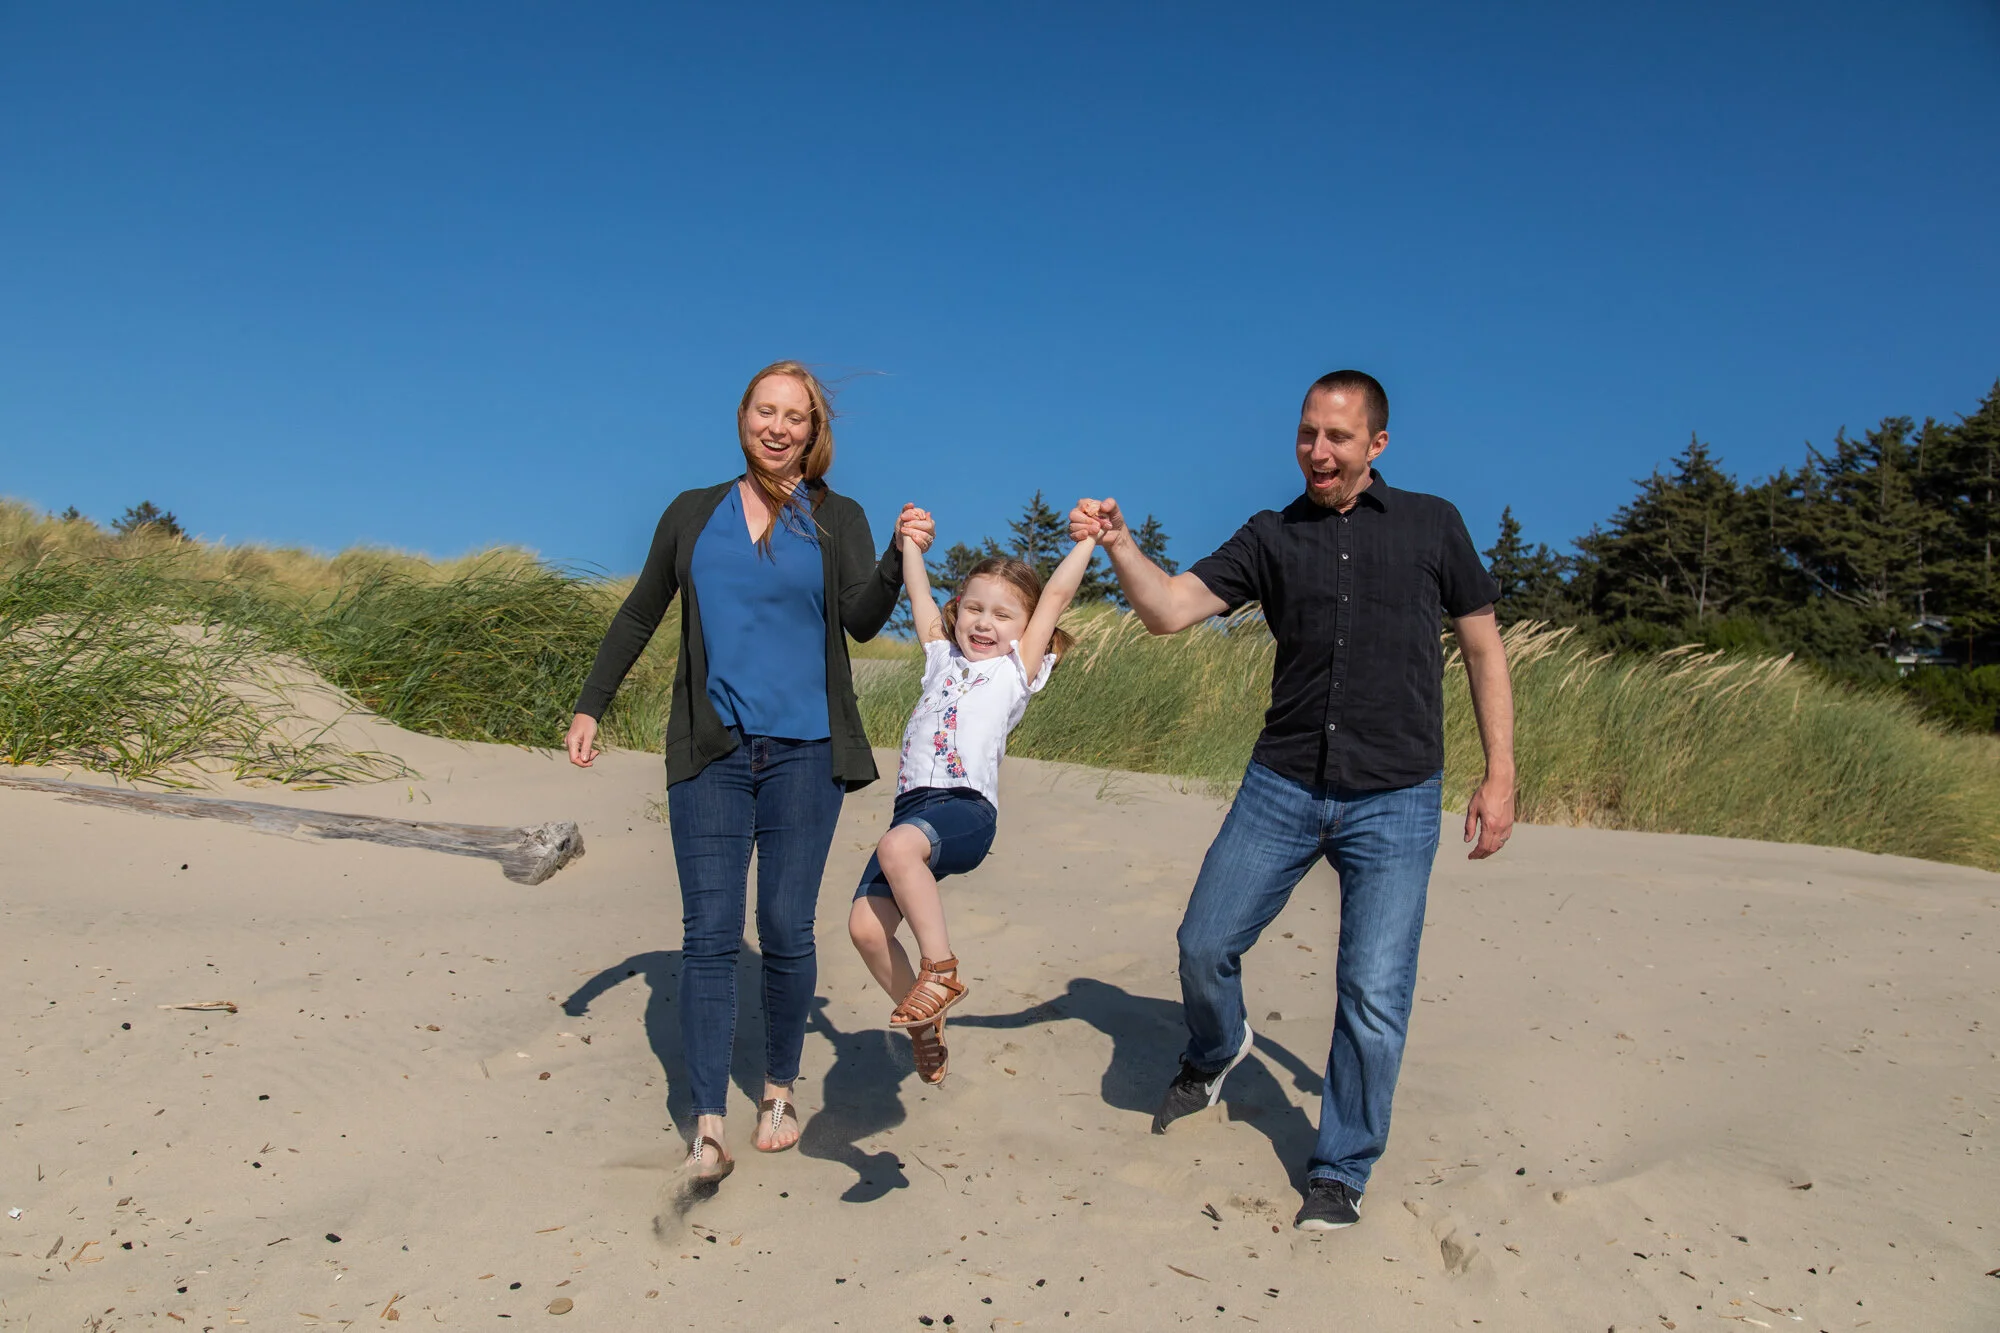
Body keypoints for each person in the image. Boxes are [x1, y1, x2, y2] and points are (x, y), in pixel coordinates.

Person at [1069, 368, 1515, 1233]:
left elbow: (1483, 649)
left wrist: (1500, 775)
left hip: (1397, 796)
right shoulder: (1271, 535)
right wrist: (1120, 543)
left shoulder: (1433, 524)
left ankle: (1340, 1169)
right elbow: (1168, 610)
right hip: (1283, 783)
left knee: (1372, 992)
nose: (1318, 450)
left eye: (1338, 436)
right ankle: (1217, 1044)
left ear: (1376, 444)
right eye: (1308, 432)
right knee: (1203, 943)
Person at [563, 361, 933, 1188]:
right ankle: (706, 1123)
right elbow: (640, 610)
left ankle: (777, 1090)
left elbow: (862, 620)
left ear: (813, 431)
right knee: (709, 933)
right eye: (765, 411)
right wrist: (592, 704)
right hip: (712, 752)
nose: (778, 427)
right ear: (742, 417)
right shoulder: (693, 513)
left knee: (786, 926)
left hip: (807, 752)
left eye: (795, 416)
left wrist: (897, 555)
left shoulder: (836, 515)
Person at [846, 524, 1096, 1086]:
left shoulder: (1014, 670)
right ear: (957, 612)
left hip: (965, 809)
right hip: (913, 815)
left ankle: (940, 971)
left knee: (896, 847)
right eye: (974, 609)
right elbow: (918, 594)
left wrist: (1089, 540)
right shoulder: (941, 658)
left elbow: (1056, 595)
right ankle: (924, 1024)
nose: (984, 623)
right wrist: (910, 544)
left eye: (1003, 615)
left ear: (1026, 629)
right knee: (865, 927)